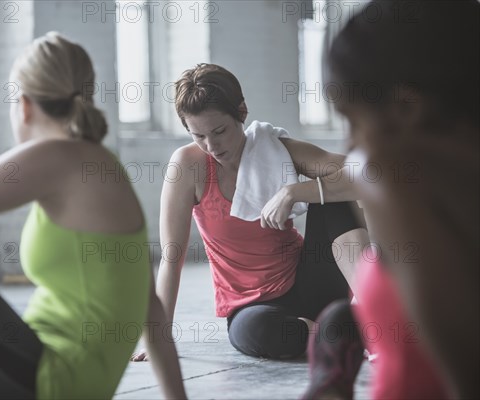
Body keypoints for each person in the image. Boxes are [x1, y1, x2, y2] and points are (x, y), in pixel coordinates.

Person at [0, 32, 186, 399]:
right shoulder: (104, 169)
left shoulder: (58, 157)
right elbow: (150, 306)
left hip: (41, 378)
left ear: (23, 105)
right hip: (44, 376)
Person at [131, 63, 370, 362]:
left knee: (335, 197)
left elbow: (369, 175)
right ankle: (340, 333)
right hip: (253, 308)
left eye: (219, 131)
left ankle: (374, 316)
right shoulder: (187, 167)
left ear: (241, 112)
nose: (211, 145)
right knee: (257, 332)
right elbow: (171, 256)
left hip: (310, 283)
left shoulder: (275, 149)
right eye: (198, 135)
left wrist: (295, 191)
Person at [302, 1, 479, 399]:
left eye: (353, 120)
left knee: (344, 316)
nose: (349, 144)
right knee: (343, 317)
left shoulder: (385, 170)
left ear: (406, 108)